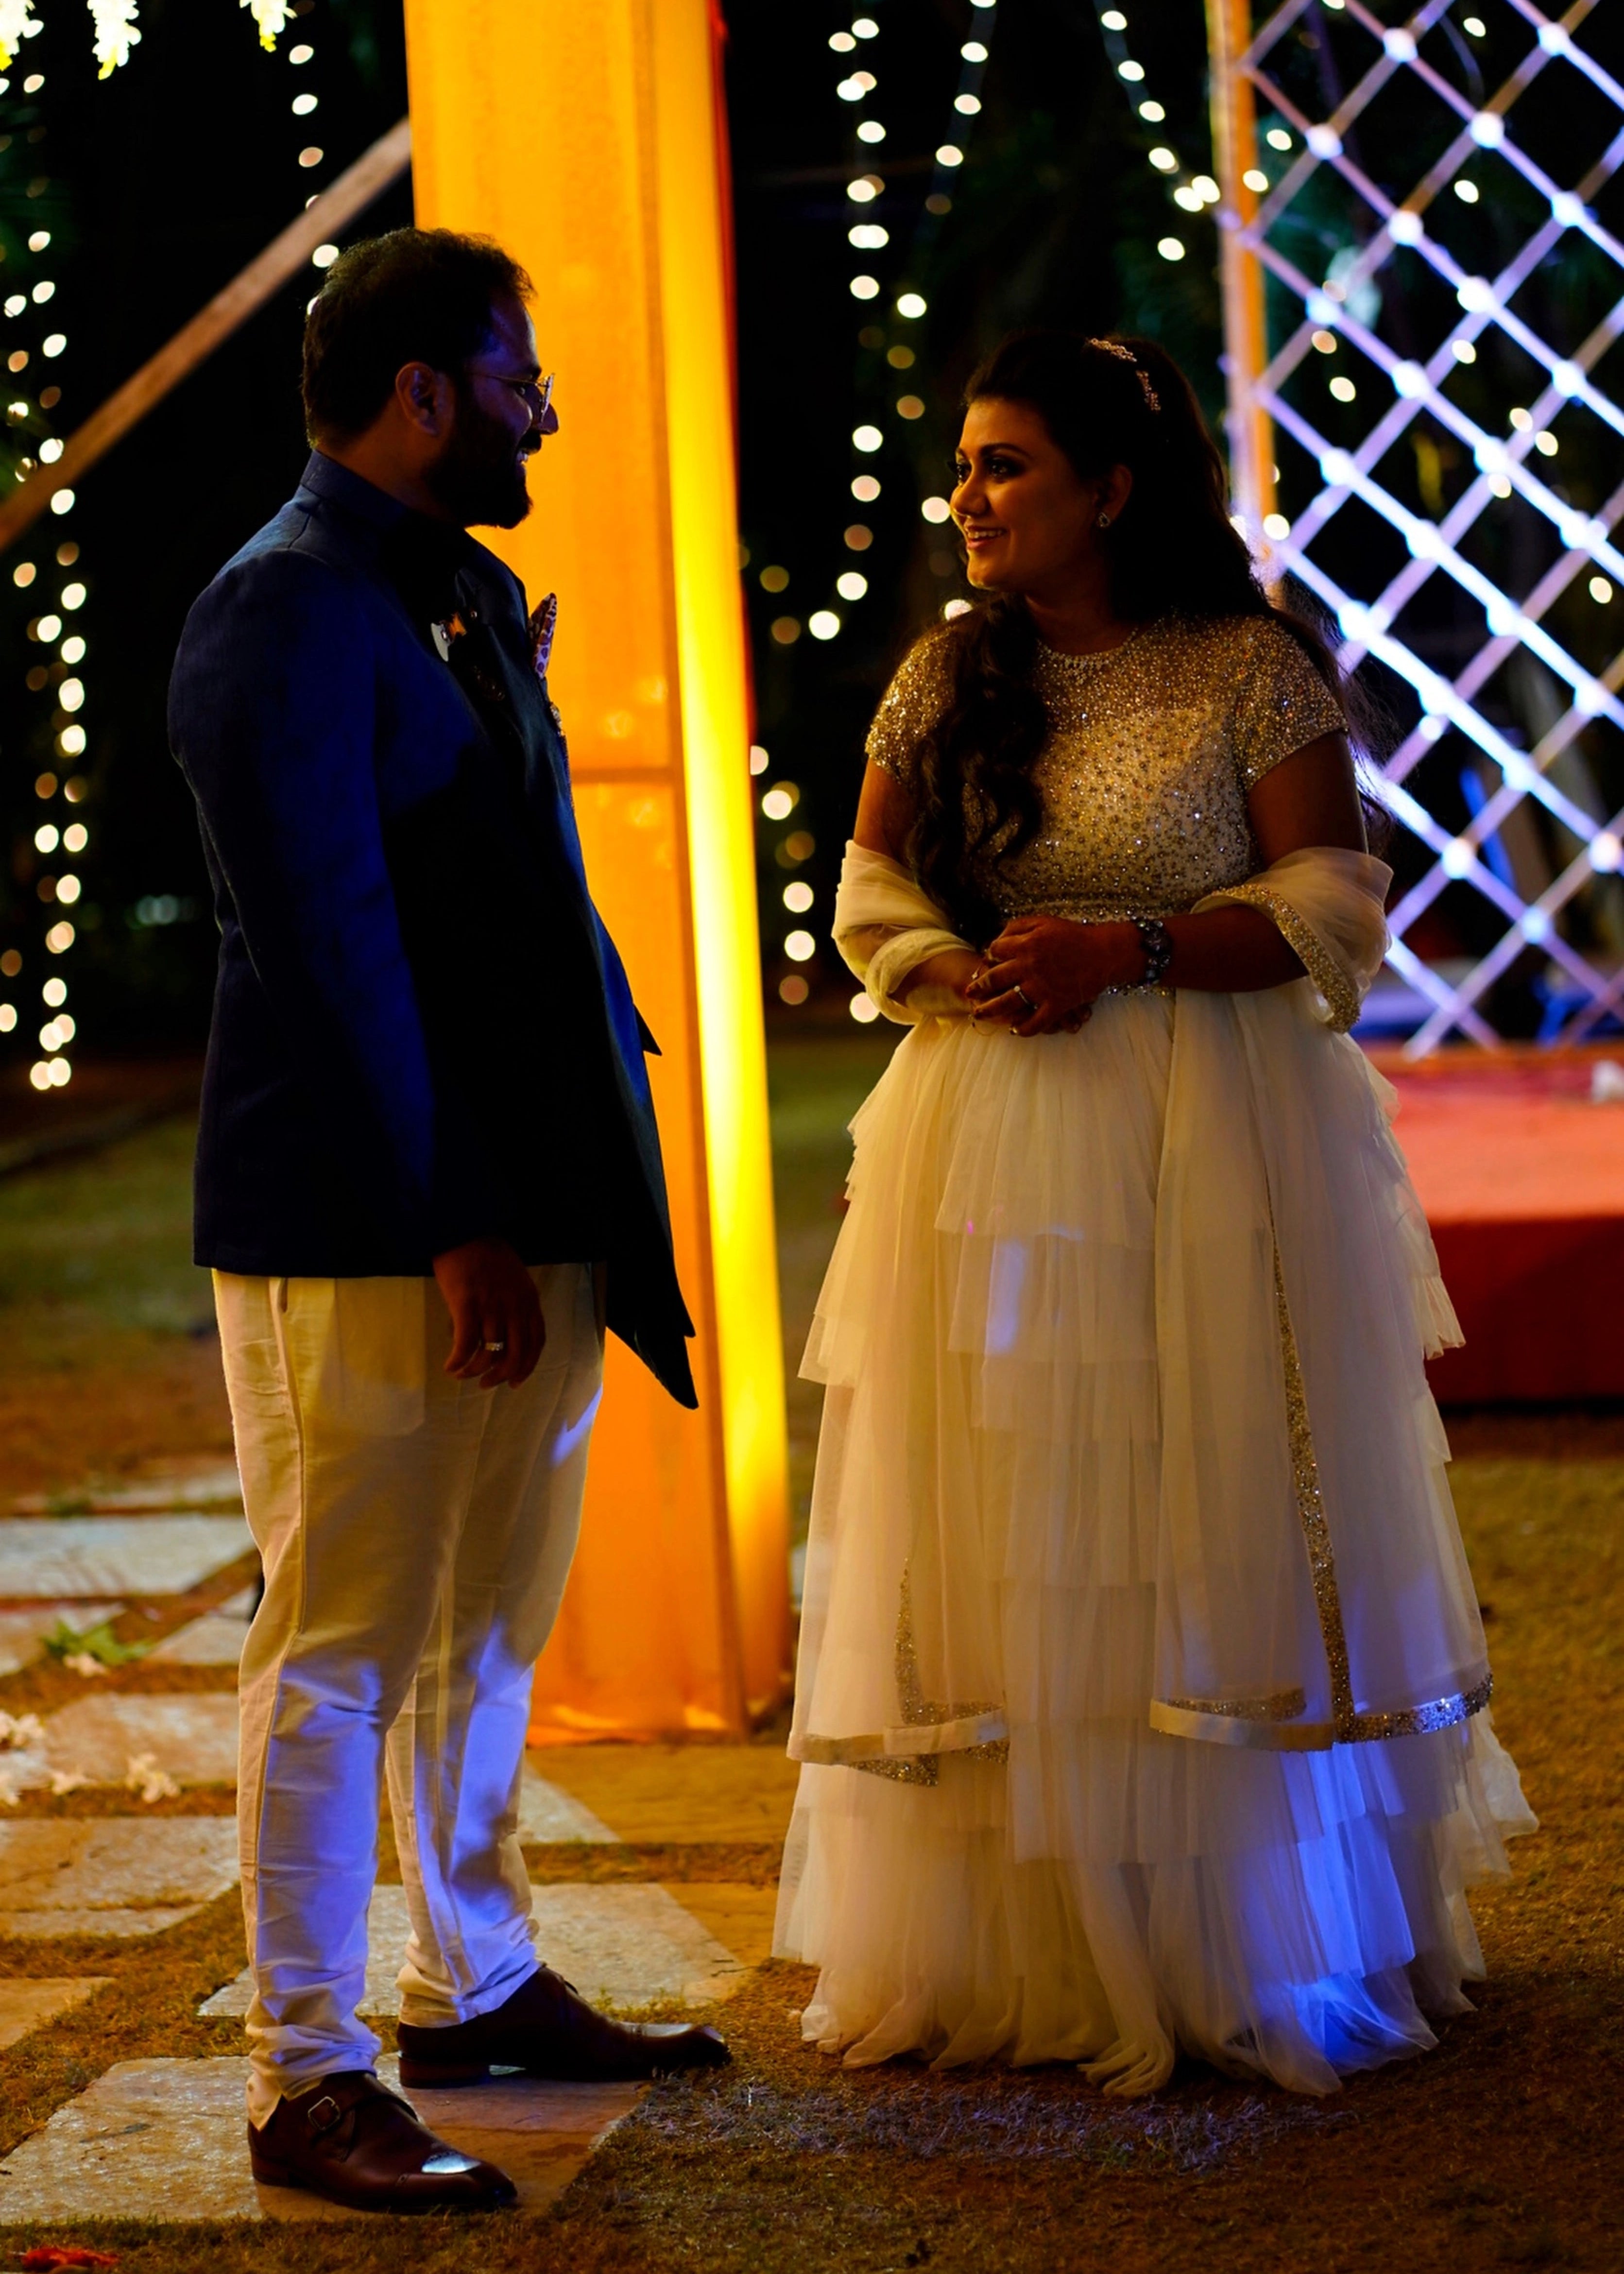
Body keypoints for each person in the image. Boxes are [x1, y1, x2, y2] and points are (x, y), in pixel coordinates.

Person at [773, 330, 1535, 2099]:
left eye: (1007, 465)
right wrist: (952, 966)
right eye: (966, 465)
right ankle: (1030, 1943)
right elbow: (869, 883)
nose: (970, 498)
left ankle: (1234, 1938)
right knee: (1027, 1506)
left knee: (1202, 1489)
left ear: (1111, 489)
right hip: (992, 1123)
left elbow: (1331, 902)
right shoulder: (945, 678)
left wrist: (1124, 949)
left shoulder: (1248, 668)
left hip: (1210, 1127)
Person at [170, 227, 726, 2217]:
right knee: (338, 1638)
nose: (541, 412)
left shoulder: (449, 587)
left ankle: (472, 1981)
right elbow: (328, 953)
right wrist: (453, 1218)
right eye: (515, 377)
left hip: (526, 1200)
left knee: (487, 1621)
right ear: (422, 394)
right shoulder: (283, 608)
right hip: (368, 1219)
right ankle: (304, 2072)